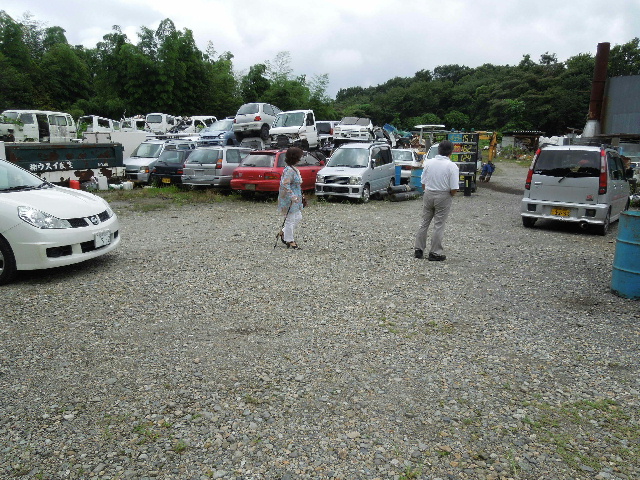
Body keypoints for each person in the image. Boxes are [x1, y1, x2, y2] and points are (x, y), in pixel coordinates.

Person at [414, 140, 459, 261]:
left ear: (438, 150)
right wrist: (449, 195)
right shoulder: (452, 166)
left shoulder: (429, 163)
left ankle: (418, 249)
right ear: (451, 151)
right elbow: (454, 188)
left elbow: (423, 182)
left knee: (424, 222)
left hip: (428, 193)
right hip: (443, 195)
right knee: (439, 225)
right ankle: (435, 252)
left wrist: (428, 191)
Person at [276, 147, 305, 249]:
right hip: (289, 199)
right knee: (290, 219)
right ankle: (290, 240)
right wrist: (292, 196)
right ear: (295, 157)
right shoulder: (289, 170)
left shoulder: (293, 168)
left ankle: (283, 232)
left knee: (298, 217)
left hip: (296, 198)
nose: (300, 158)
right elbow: (285, 185)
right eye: (299, 157)